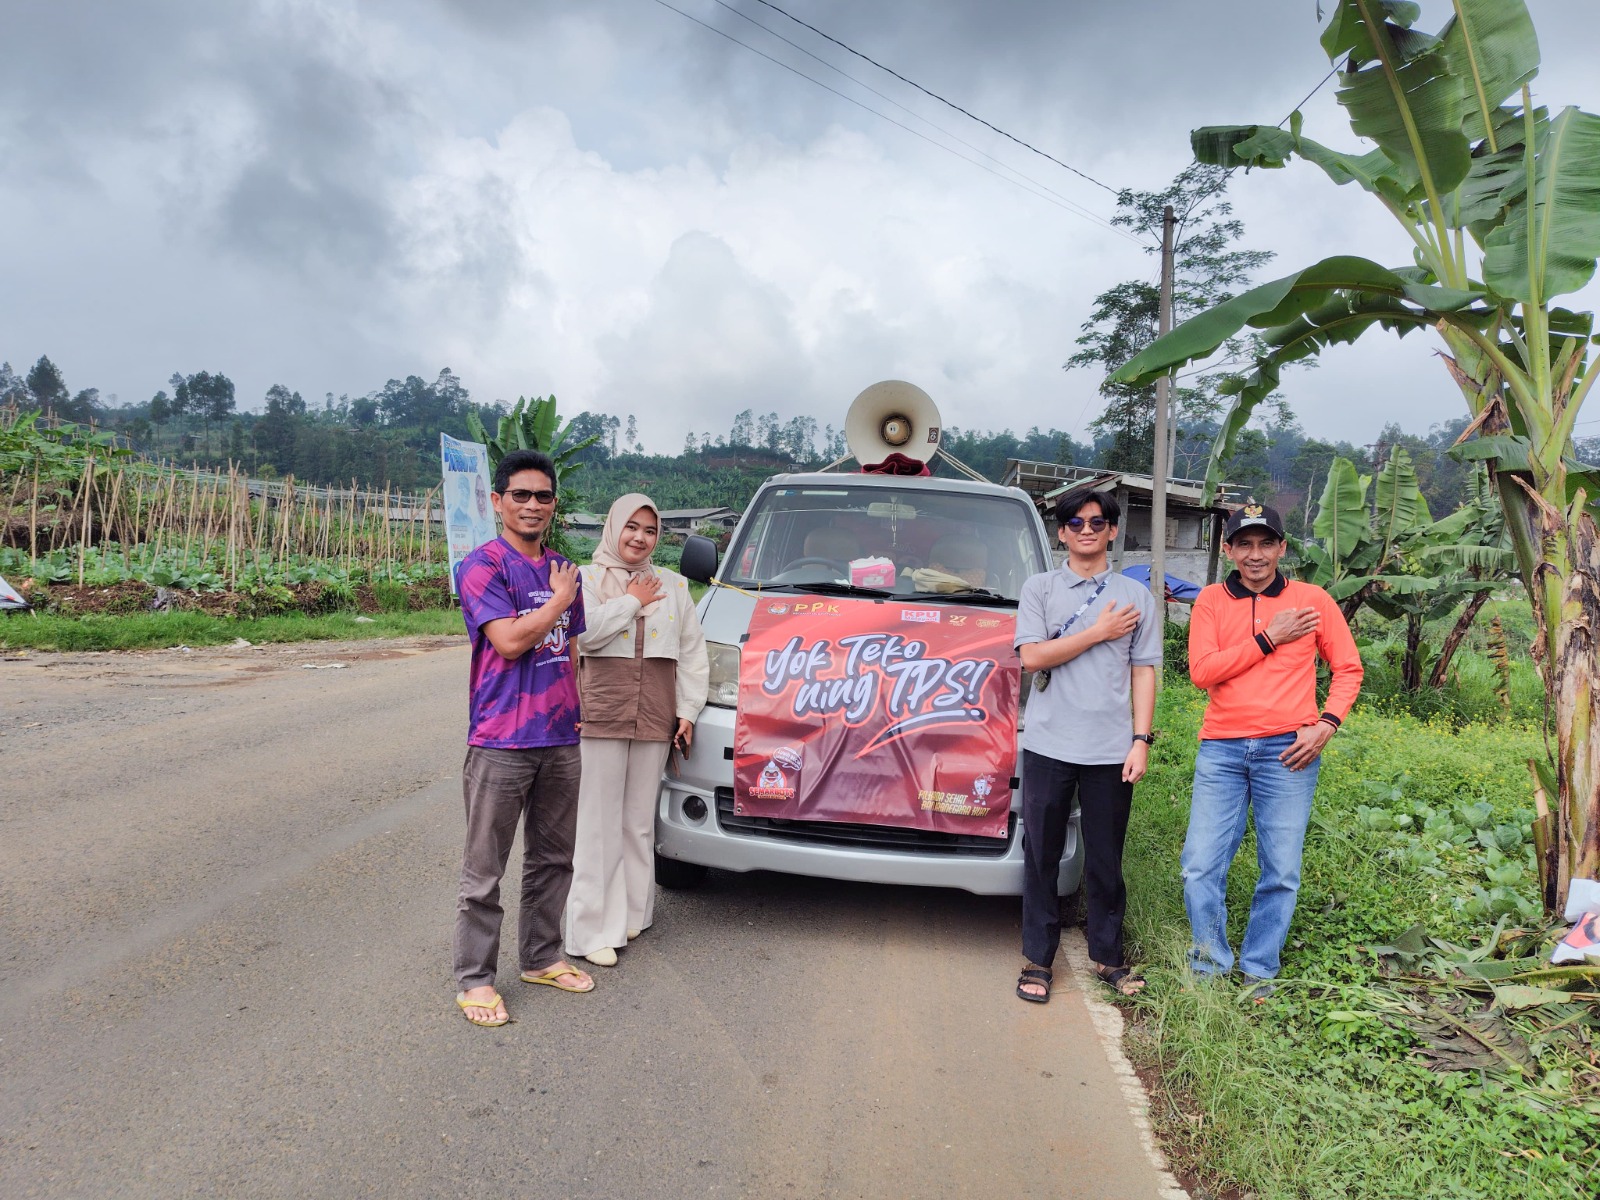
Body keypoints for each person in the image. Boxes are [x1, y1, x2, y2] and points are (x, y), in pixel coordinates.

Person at [1182, 502, 1362, 997]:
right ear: (1228, 549)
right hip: (1222, 748)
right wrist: (1268, 638)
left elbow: (1348, 668)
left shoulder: (1313, 601)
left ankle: (1259, 968)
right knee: (1201, 862)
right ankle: (1209, 962)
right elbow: (1202, 671)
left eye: (1266, 543)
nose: (1255, 554)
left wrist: (1326, 724)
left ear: (1282, 548)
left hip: (1289, 751)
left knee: (1281, 868)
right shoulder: (1212, 602)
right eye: (1244, 543)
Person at [452, 448, 594, 1027]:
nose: (532, 505)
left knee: (554, 859)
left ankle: (540, 957)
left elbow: (573, 646)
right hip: (501, 741)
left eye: (542, 496)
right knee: (485, 870)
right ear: (498, 502)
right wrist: (557, 601)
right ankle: (476, 979)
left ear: (553, 504)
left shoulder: (566, 569)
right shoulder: (481, 565)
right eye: (520, 495)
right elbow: (509, 641)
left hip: (560, 739)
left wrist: (579, 706)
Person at [1012, 490, 1160, 1002]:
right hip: (1050, 745)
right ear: (1062, 532)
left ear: (1113, 531)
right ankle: (1037, 959)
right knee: (1041, 856)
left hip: (1110, 749)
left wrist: (1140, 739)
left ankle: (1108, 958)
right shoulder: (1040, 588)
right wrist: (1098, 632)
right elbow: (1031, 657)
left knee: (1105, 858)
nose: (1087, 529)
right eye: (1075, 522)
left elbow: (1144, 671)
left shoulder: (1137, 597)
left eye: (1098, 522)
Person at [564, 494, 709, 967]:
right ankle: (589, 931)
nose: (639, 538)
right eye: (632, 527)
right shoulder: (584, 578)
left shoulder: (674, 584)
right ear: (613, 527)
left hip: (654, 712)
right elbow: (584, 635)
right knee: (596, 823)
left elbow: (691, 653)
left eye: (649, 530)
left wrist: (686, 711)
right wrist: (631, 600)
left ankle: (632, 912)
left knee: (637, 821)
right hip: (601, 711)